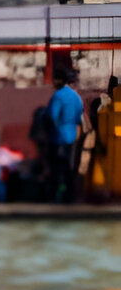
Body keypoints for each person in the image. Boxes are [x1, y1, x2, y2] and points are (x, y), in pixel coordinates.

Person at [46, 65, 83, 203]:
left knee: (56, 168)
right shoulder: (76, 96)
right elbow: (79, 118)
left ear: (57, 80)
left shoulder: (58, 96)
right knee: (70, 167)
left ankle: (55, 197)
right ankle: (70, 197)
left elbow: (52, 116)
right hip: (72, 136)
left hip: (58, 137)